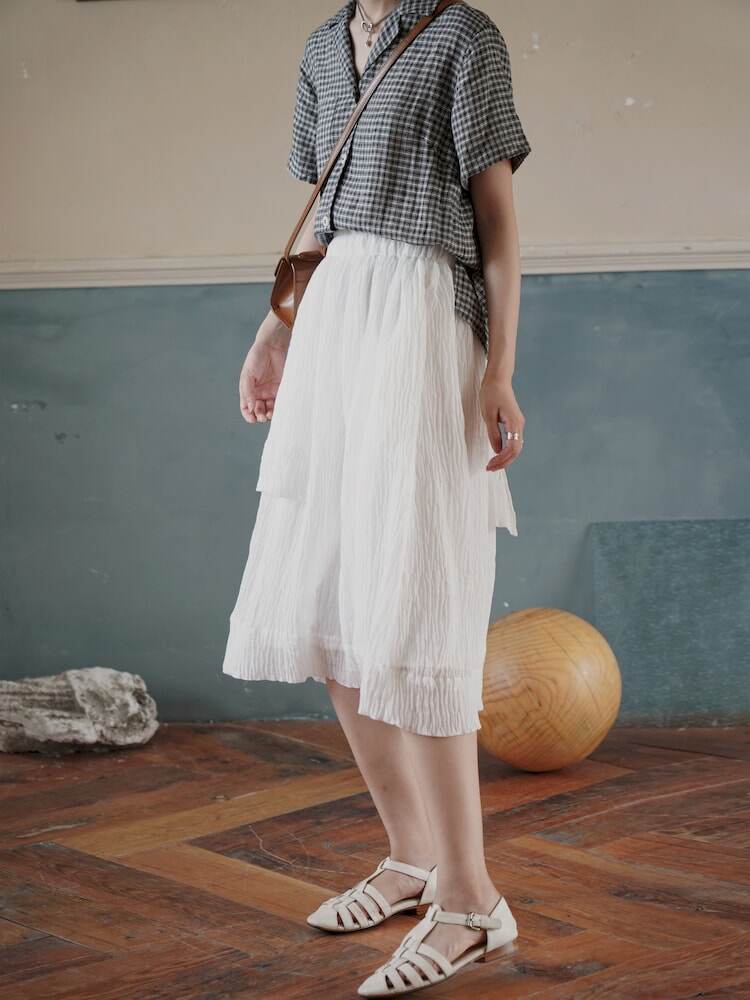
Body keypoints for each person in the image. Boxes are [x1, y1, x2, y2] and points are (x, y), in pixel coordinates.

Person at [222, 0, 531, 993]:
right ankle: (414, 857)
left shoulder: (463, 37)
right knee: (329, 599)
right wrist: (274, 333)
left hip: (423, 323)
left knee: (420, 599)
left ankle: (473, 902)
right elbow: (326, 213)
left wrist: (498, 371)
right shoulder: (324, 47)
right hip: (335, 329)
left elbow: (497, 224)